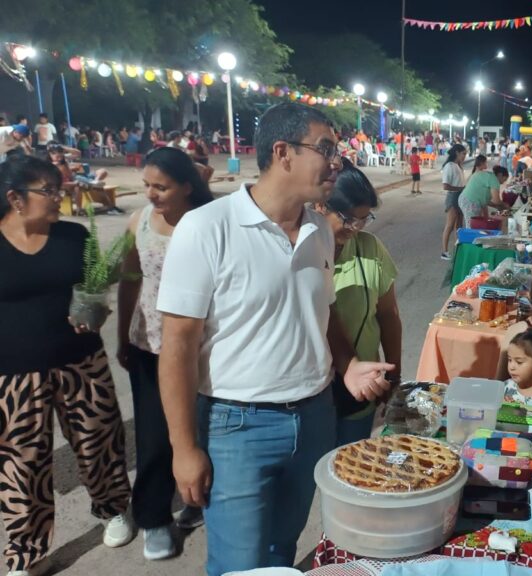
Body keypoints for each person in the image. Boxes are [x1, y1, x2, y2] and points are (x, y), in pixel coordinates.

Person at [155, 103, 393, 575]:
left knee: (280, 554)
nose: (337, 161)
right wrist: (184, 450)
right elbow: (177, 346)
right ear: (282, 152)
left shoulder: (319, 232)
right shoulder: (207, 228)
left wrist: (347, 365)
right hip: (236, 427)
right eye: (325, 148)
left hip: (313, 417)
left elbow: (323, 315)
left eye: (337, 150)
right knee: (239, 566)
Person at [0, 155, 135, 576]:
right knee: (23, 461)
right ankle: (25, 548)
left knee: (99, 441)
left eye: (60, 189)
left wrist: (97, 312)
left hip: (81, 362)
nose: (59, 198)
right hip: (14, 372)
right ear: (14, 198)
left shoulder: (74, 237)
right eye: (49, 191)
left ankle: (112, 509)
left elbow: (95, 289)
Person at [115, 147, 213, 561]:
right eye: (147, 186)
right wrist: (122, 336)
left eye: (162, 186)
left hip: (204, 345)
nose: (152, 194)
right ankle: (154, 518)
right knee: (155, 436)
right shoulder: (139, 223)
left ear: (187, 187)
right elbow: (129, 281)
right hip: (151, 345)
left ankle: (196, 499)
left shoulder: (208, 224)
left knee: (204, 430)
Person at [320, 157, 403, 445]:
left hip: (360, 390)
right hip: (311, 392)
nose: (355, 227)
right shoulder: (301, 253)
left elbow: (389, 315)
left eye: (364, 218)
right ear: (321, 205)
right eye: (348, 219)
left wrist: (394, 373)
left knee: (353, 469)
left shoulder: (369, 249)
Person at [440, 143, 468, 260]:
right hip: (452, 197)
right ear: (457, 152)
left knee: (459, 225)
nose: (464, 156)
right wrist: (461, 189)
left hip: (460, 196)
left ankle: (458, 249)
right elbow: (445, 186)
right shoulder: (449, 166)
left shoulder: (458, 166)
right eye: (463, 154)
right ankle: (444, 251)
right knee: (450, 225)